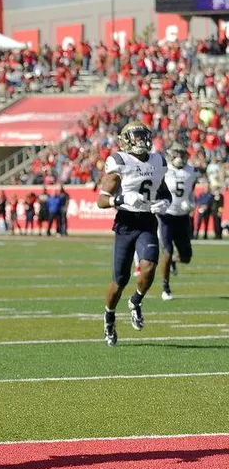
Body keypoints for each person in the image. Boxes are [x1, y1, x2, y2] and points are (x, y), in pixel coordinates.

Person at [97, 121, 170, 347]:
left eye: (143, 135)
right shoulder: (119, 161)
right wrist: (120, 199)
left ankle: (136, 301)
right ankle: (109, 317)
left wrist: (165, 202)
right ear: (126, 140)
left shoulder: (158, 161)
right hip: (126, 223)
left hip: (147, 220)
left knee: (148, 267)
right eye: (136, 136)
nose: (141, 140)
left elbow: (164, 191)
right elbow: (101, 200)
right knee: (119, 281)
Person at [159, 144, 198, 301]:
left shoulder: (191, 171)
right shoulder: (164, 170)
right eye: (176, 154)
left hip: (182, 217)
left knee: (187, 257)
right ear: (170, 155)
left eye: (182, 154)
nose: (180, 158)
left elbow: (191, 191)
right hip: (166, 216)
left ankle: (175, 261)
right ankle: (165, 287)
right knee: (167, 252)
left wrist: (191, 203)